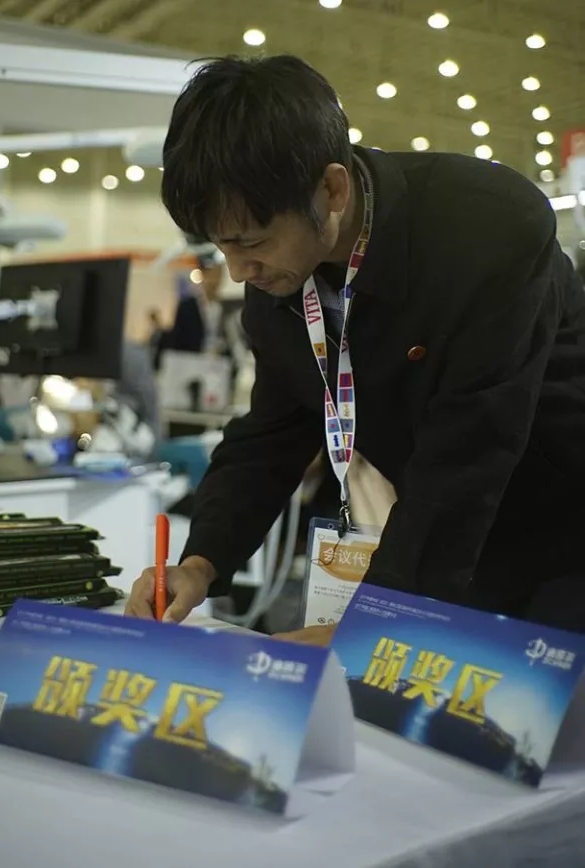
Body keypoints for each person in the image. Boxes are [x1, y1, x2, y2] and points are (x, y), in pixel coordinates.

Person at [126, 54, 585, 639]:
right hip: (454, 544)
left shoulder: (487, 228)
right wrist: (200, 563)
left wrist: (374, 625)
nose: (238, 272)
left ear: (332, 188)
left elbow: (470, 450)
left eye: (253, 243)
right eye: (222, 247)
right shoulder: (281, 283)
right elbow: (271, 434)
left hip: (564, 532)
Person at [162, 251, 227, 356]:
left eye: (218, 273)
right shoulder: (187, 306)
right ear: (203, 274)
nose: (214, 279)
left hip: (219, 362)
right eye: (211, 273)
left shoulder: (224, 307)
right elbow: (178, 340)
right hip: (192, 360)